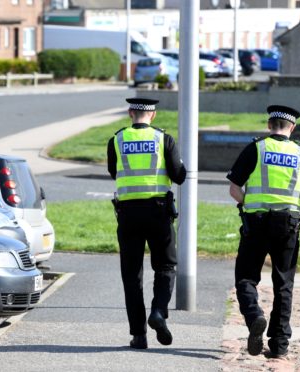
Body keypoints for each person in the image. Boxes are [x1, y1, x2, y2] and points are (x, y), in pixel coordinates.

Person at [227, 105, 300, 358]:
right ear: (292, 127)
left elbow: (234, 188)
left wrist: (248, 203)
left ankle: (254, 316)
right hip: (288, 226)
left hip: (256, 223)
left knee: (246, 278)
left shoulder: (256, 148)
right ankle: (279, 345)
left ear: (270, 125)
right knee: (284, 284)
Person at [107, 97, 186, 350]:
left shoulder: (117, 140)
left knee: (131, 275)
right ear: (153, 115)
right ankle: (159, 312)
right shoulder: (164, 139)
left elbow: (113, 171)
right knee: (165, 265)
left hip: (128, 213)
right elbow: (179, 176)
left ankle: (138, 335)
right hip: (158, 212)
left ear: (131, 113)